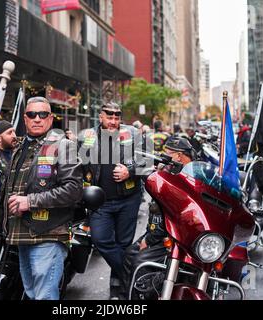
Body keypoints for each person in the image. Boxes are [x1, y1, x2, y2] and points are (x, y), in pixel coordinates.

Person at [3, 96, 83, 300]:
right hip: (20, 233)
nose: (37, 119)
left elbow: (73, 190)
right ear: (24, 118)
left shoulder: (63, 145)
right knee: (32, 293)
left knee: (45, 296)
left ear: (50, 118)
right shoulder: (19, 147)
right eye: (32, 114)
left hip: (48, 232)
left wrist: (30, 201)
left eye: (43, 114)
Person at [78, 102, 145, 300]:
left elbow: (145, 161)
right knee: (100, 240)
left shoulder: (133, 134)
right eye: (110, 117)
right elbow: (77, 165)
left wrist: (129, 171)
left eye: (117, 117)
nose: (114, 121)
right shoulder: (86, 136)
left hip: (128, 199)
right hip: (100, 202)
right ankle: (131, 274)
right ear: (100, 117)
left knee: (123, 244)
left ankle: (119, 292)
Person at [122, 136, 195, 299]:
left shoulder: (191, 176)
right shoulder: (170, 170)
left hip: (175, 235)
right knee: (129, 254)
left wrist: (149, 239)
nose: (165, 156)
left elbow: (169, 213)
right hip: (162, 231)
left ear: (178, 156)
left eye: (168, 153)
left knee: (139, 262)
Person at [0, 120, 18, 238]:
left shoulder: (17, 154)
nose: (14, 136)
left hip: (13, 216)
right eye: (10, 133)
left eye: (14, 132)